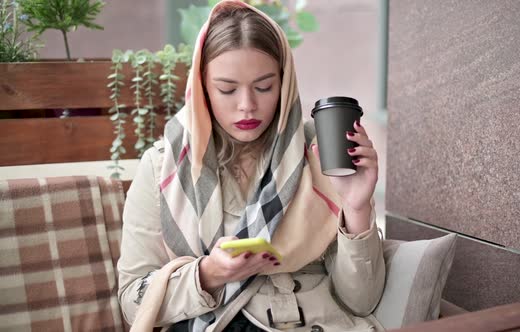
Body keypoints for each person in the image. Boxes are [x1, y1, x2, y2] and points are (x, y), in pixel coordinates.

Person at [117, 1, 385, 331]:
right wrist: (209, 274)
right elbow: (134, 303)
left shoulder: (318, 151)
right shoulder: (163, 166)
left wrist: (357, 208)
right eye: (227, 89)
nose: (247, 106)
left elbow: (361, 301)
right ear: (203, 88)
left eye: (264, 87)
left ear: (285, 84)